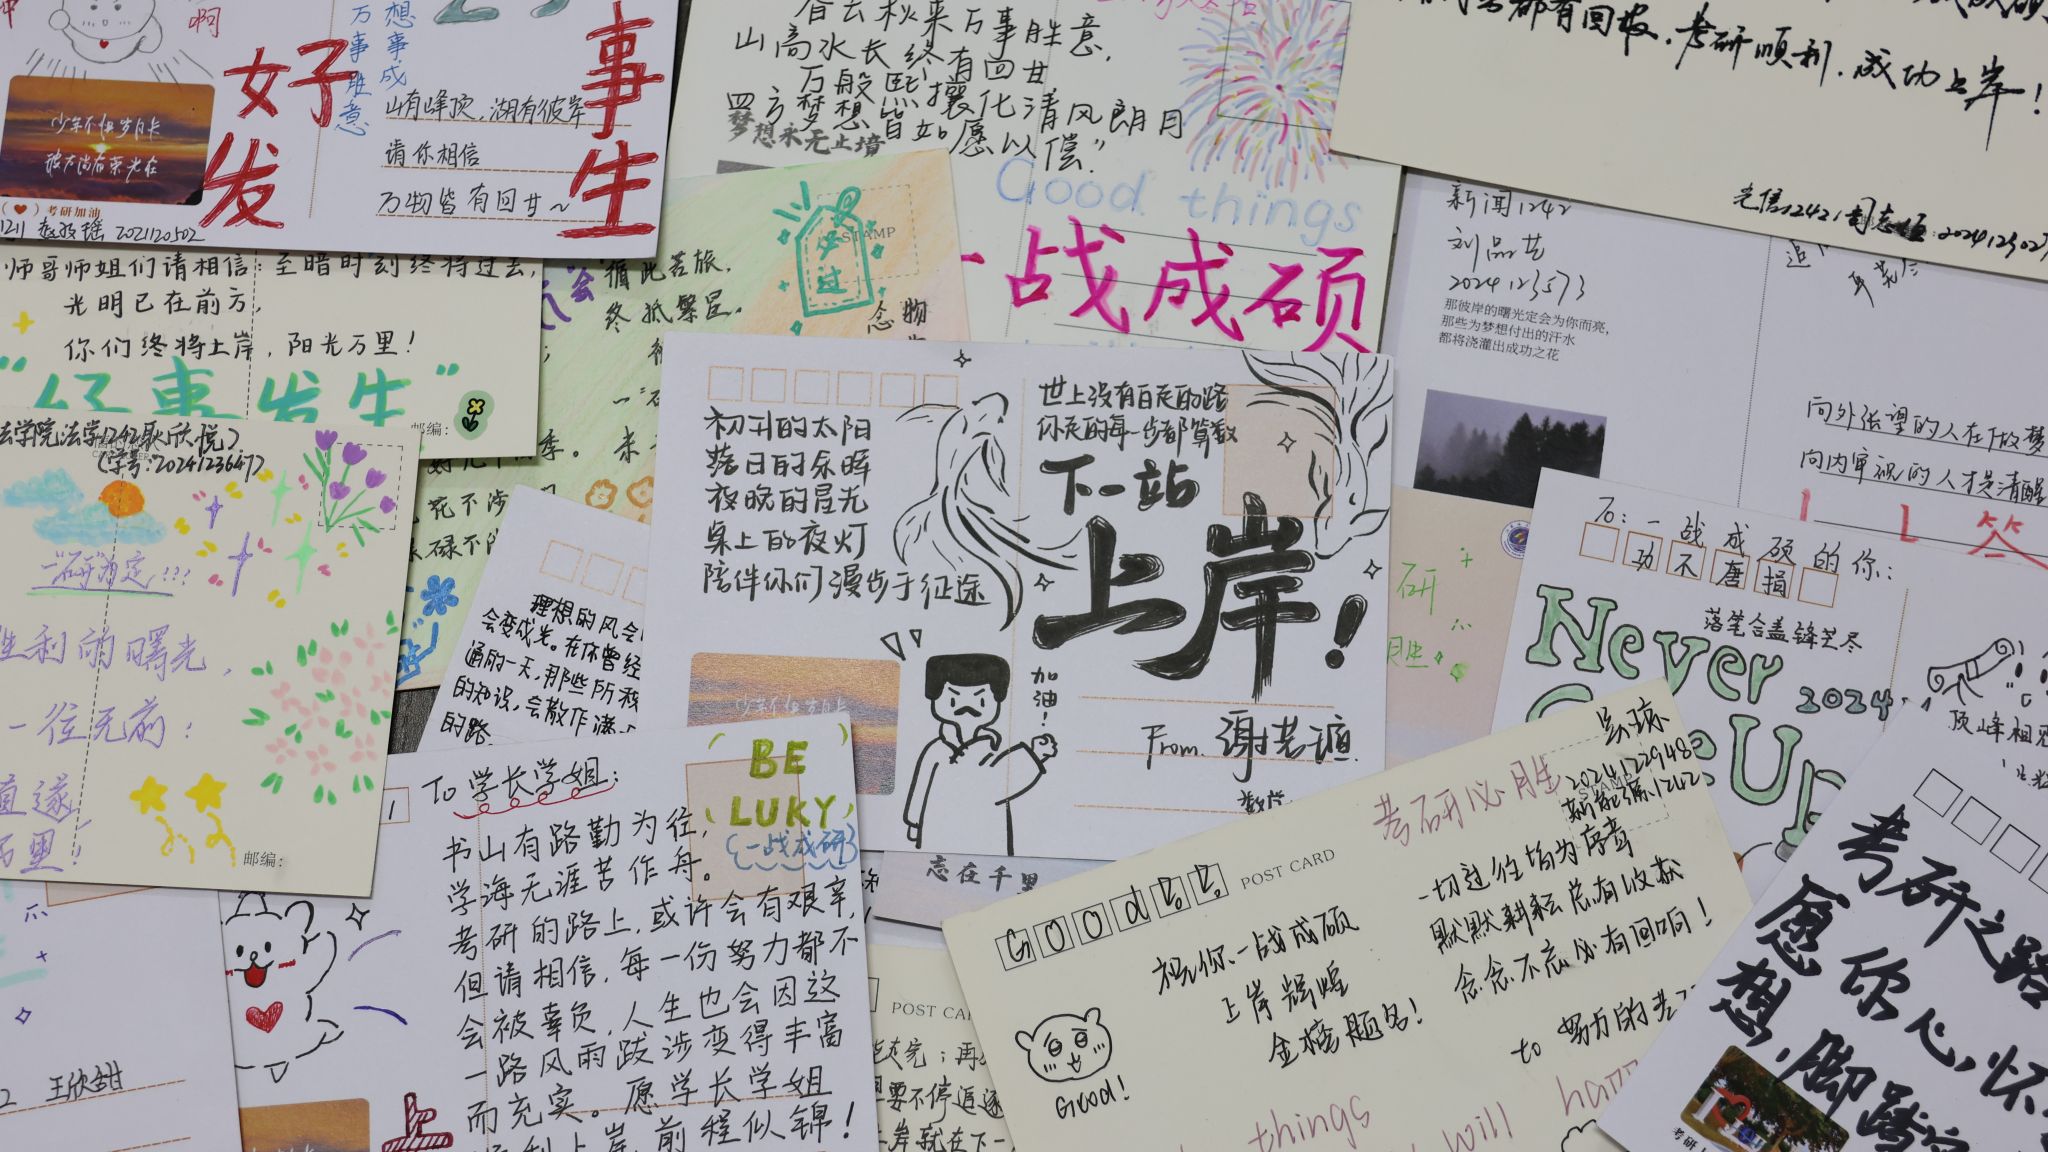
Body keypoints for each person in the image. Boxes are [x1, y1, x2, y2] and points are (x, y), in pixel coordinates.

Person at [901, 653, 1056, 855]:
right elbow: (920, 787)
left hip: (985, 832)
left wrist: (1034, 755)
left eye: (981, 700)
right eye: (953, 699)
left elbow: (1001, 782)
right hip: (938, 829)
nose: (967, 707)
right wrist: (914, 822)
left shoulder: (992, 750)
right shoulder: (937, 751)